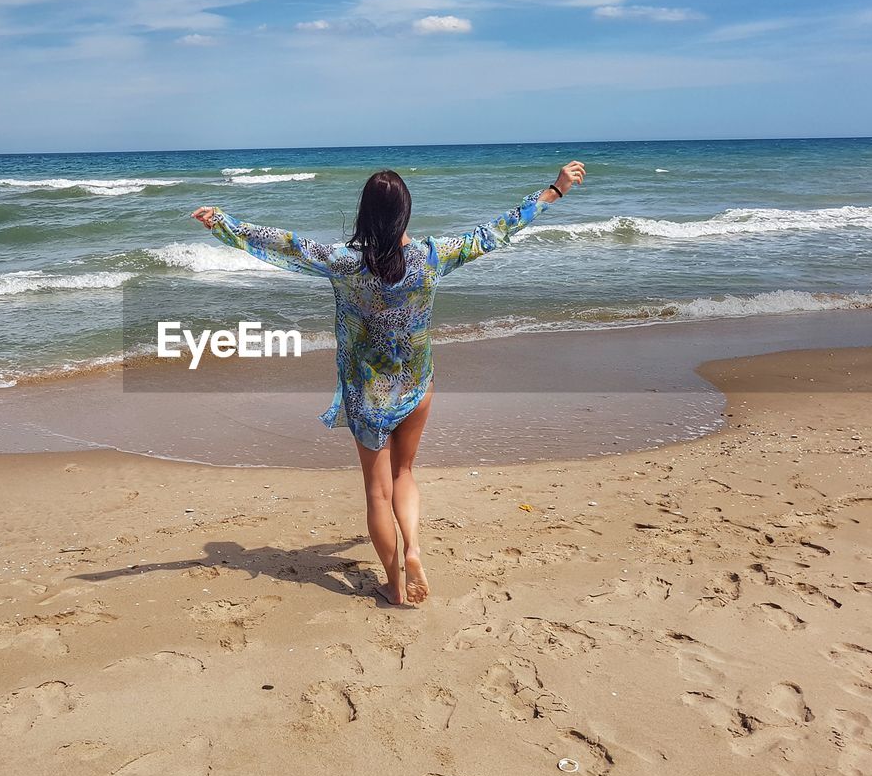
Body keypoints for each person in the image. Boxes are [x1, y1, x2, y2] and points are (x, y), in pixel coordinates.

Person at [192, 160, 586, 605]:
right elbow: (495, 231)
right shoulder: (433, 256)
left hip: (367, 397)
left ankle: (394, 584)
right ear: (405, 213)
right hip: (417, 385)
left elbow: (285, 243)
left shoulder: (343, 263)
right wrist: (556, 190)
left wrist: (223, 223)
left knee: (377, 492)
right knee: (405, 473)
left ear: (364, 213)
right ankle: (413, 549)